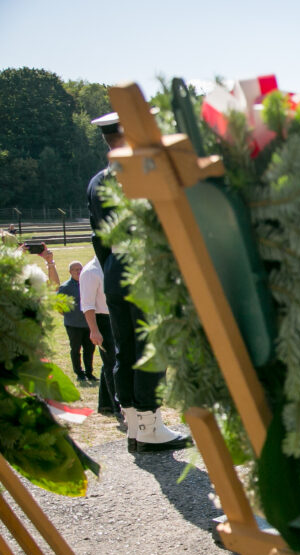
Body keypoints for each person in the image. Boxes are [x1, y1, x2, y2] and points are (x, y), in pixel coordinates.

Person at [88, 112, 190, 452]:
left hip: (116, 268)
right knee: (151, 347)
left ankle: (133, 422)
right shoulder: (140, 173)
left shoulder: (97, 181)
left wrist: (112, 270)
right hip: (145, 267)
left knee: (125, 348)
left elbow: (98, 240)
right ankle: (150, 423)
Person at [79, 256, 119, 419]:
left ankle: (106, 404)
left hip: (115, 317)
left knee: (110, 362)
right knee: (112, 364)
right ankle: (118, 407)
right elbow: (87, 305)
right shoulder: (91, 271)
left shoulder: (111, 265)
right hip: (102, 320)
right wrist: (94, 330)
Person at [57, 260, 96, 382]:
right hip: (73, 324)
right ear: (70, 272)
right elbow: (59, 307)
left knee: (89, 350)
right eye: (75, 269)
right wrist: (71, 316)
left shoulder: (88, 284)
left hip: (88, 323)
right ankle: (79, 373)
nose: (79, 271)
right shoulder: (65, 287)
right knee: (75, 349)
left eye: (80, 269)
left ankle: (89, 372)